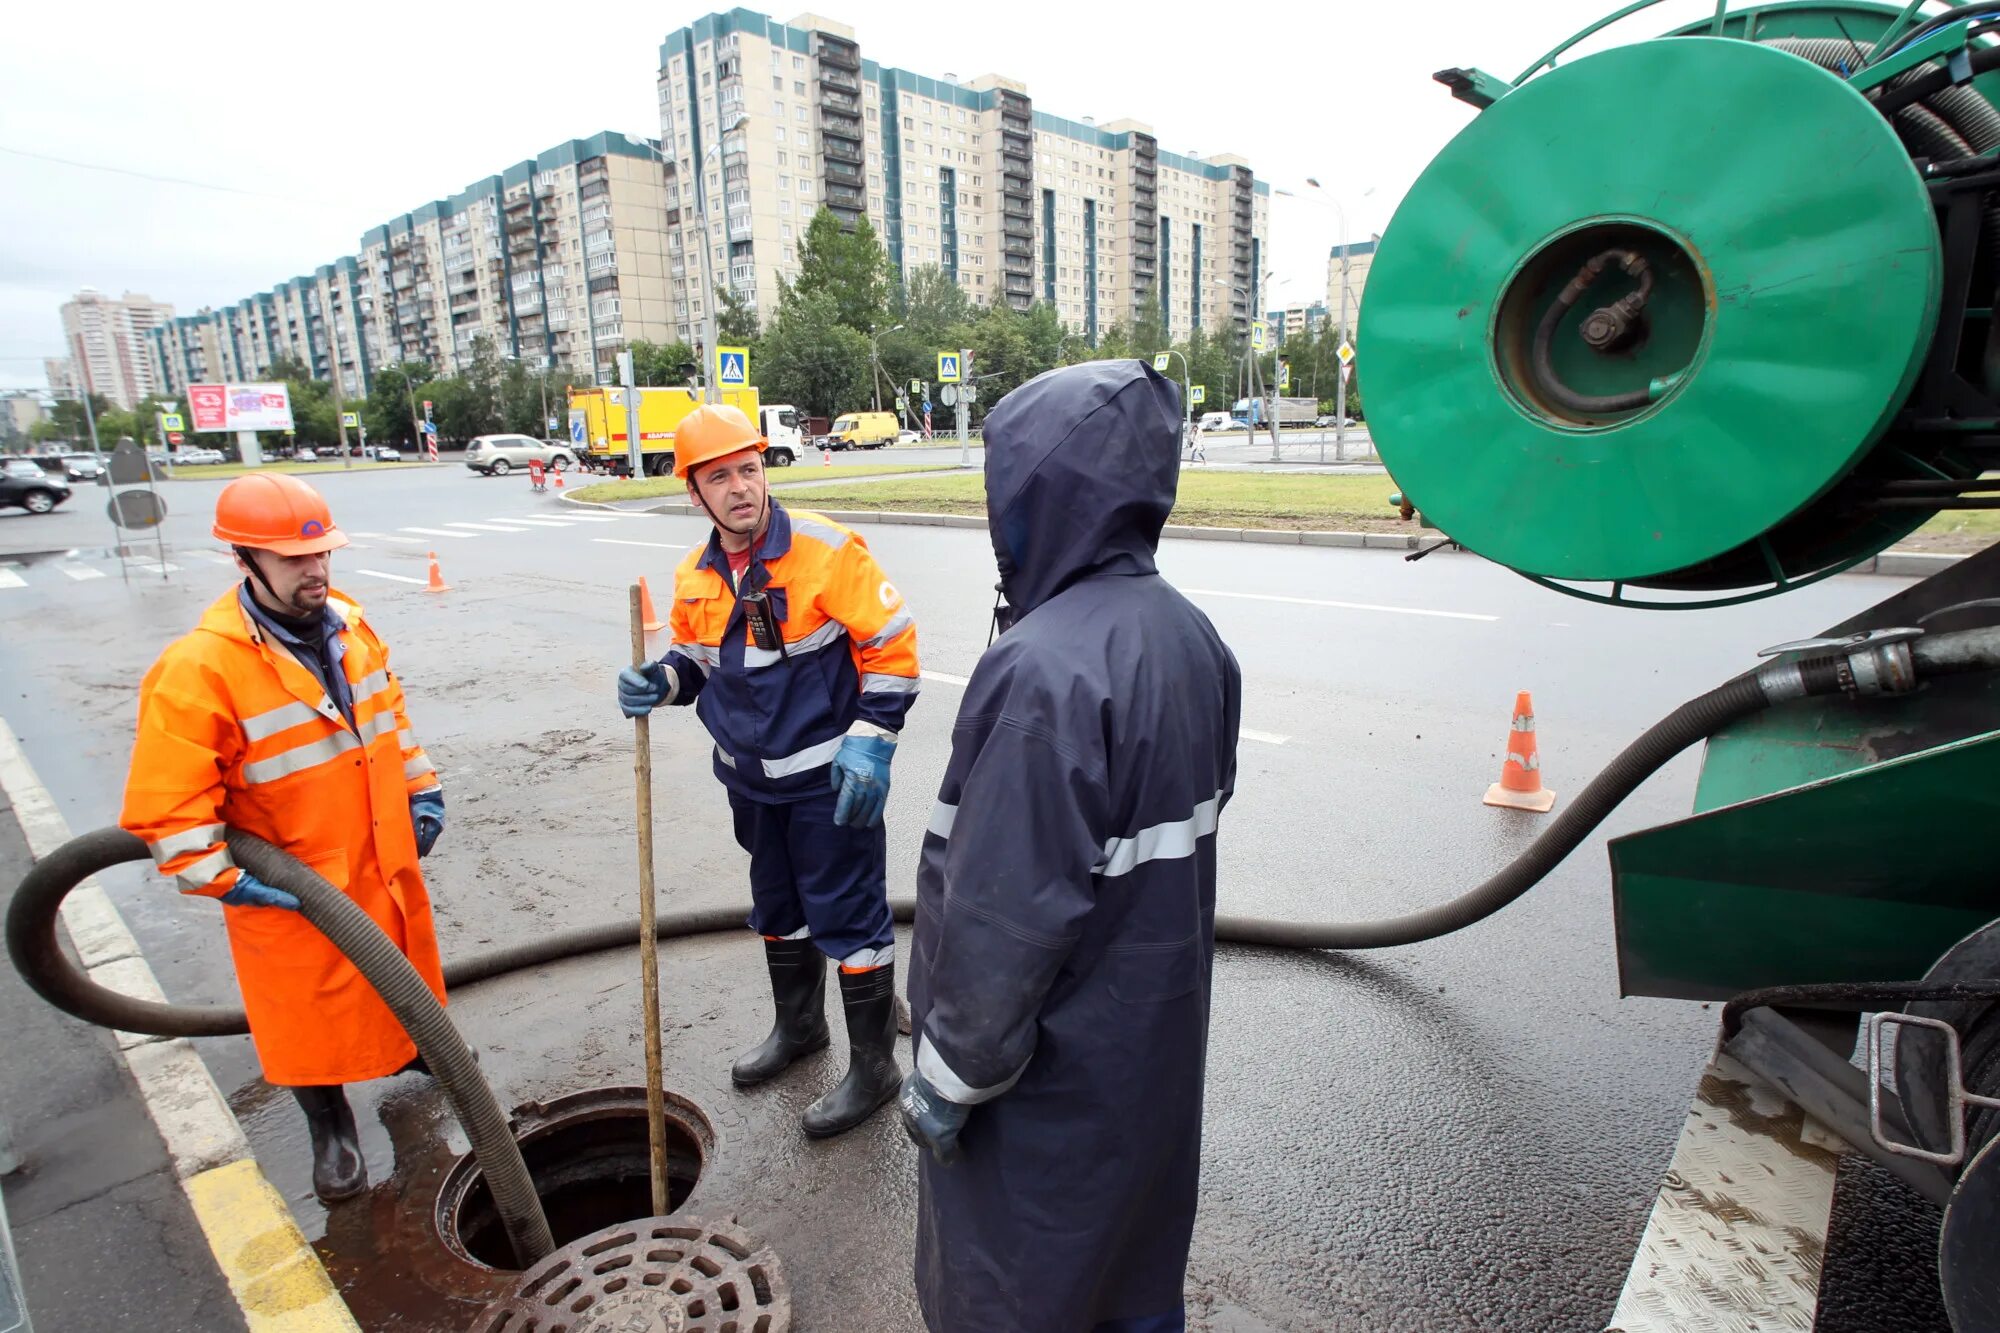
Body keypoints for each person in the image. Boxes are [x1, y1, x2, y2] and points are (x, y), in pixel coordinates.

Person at [900, 361, 1242, 1333]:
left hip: (1044, 1098)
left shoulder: (1040, 672)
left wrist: (948, 1075)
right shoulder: (1194, 640)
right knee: (1130, 1286)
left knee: (1020, 1293)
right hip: (1148, 1069)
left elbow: (1001, 917)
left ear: (1039, 491)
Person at [120, 473, 447, 1203]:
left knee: (398, 969)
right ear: (245, 559)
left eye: (322, 554)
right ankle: (329, 1125)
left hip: (377, 854)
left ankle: (416, 1052)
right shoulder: (201, 668)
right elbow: (169, 806)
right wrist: (227, 878)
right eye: (295, 559)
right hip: (290, 880)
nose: (315, 569)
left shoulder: (350, 626)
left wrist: (423, 790)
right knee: (304, 1012)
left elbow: (391, 721)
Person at [616, 403, 920, 1138]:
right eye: (721, 476)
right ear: (694, 491)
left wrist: (873, 736)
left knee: (849, 917)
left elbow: (893, 645)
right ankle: (800, 1029)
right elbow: (700, 658)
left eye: (749, 469)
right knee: (778, 908)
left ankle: (875, 1067)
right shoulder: (696, 572)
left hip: (830, 784)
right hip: (752, 783)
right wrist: (663, 678)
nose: (741, 487)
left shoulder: (824, 550)